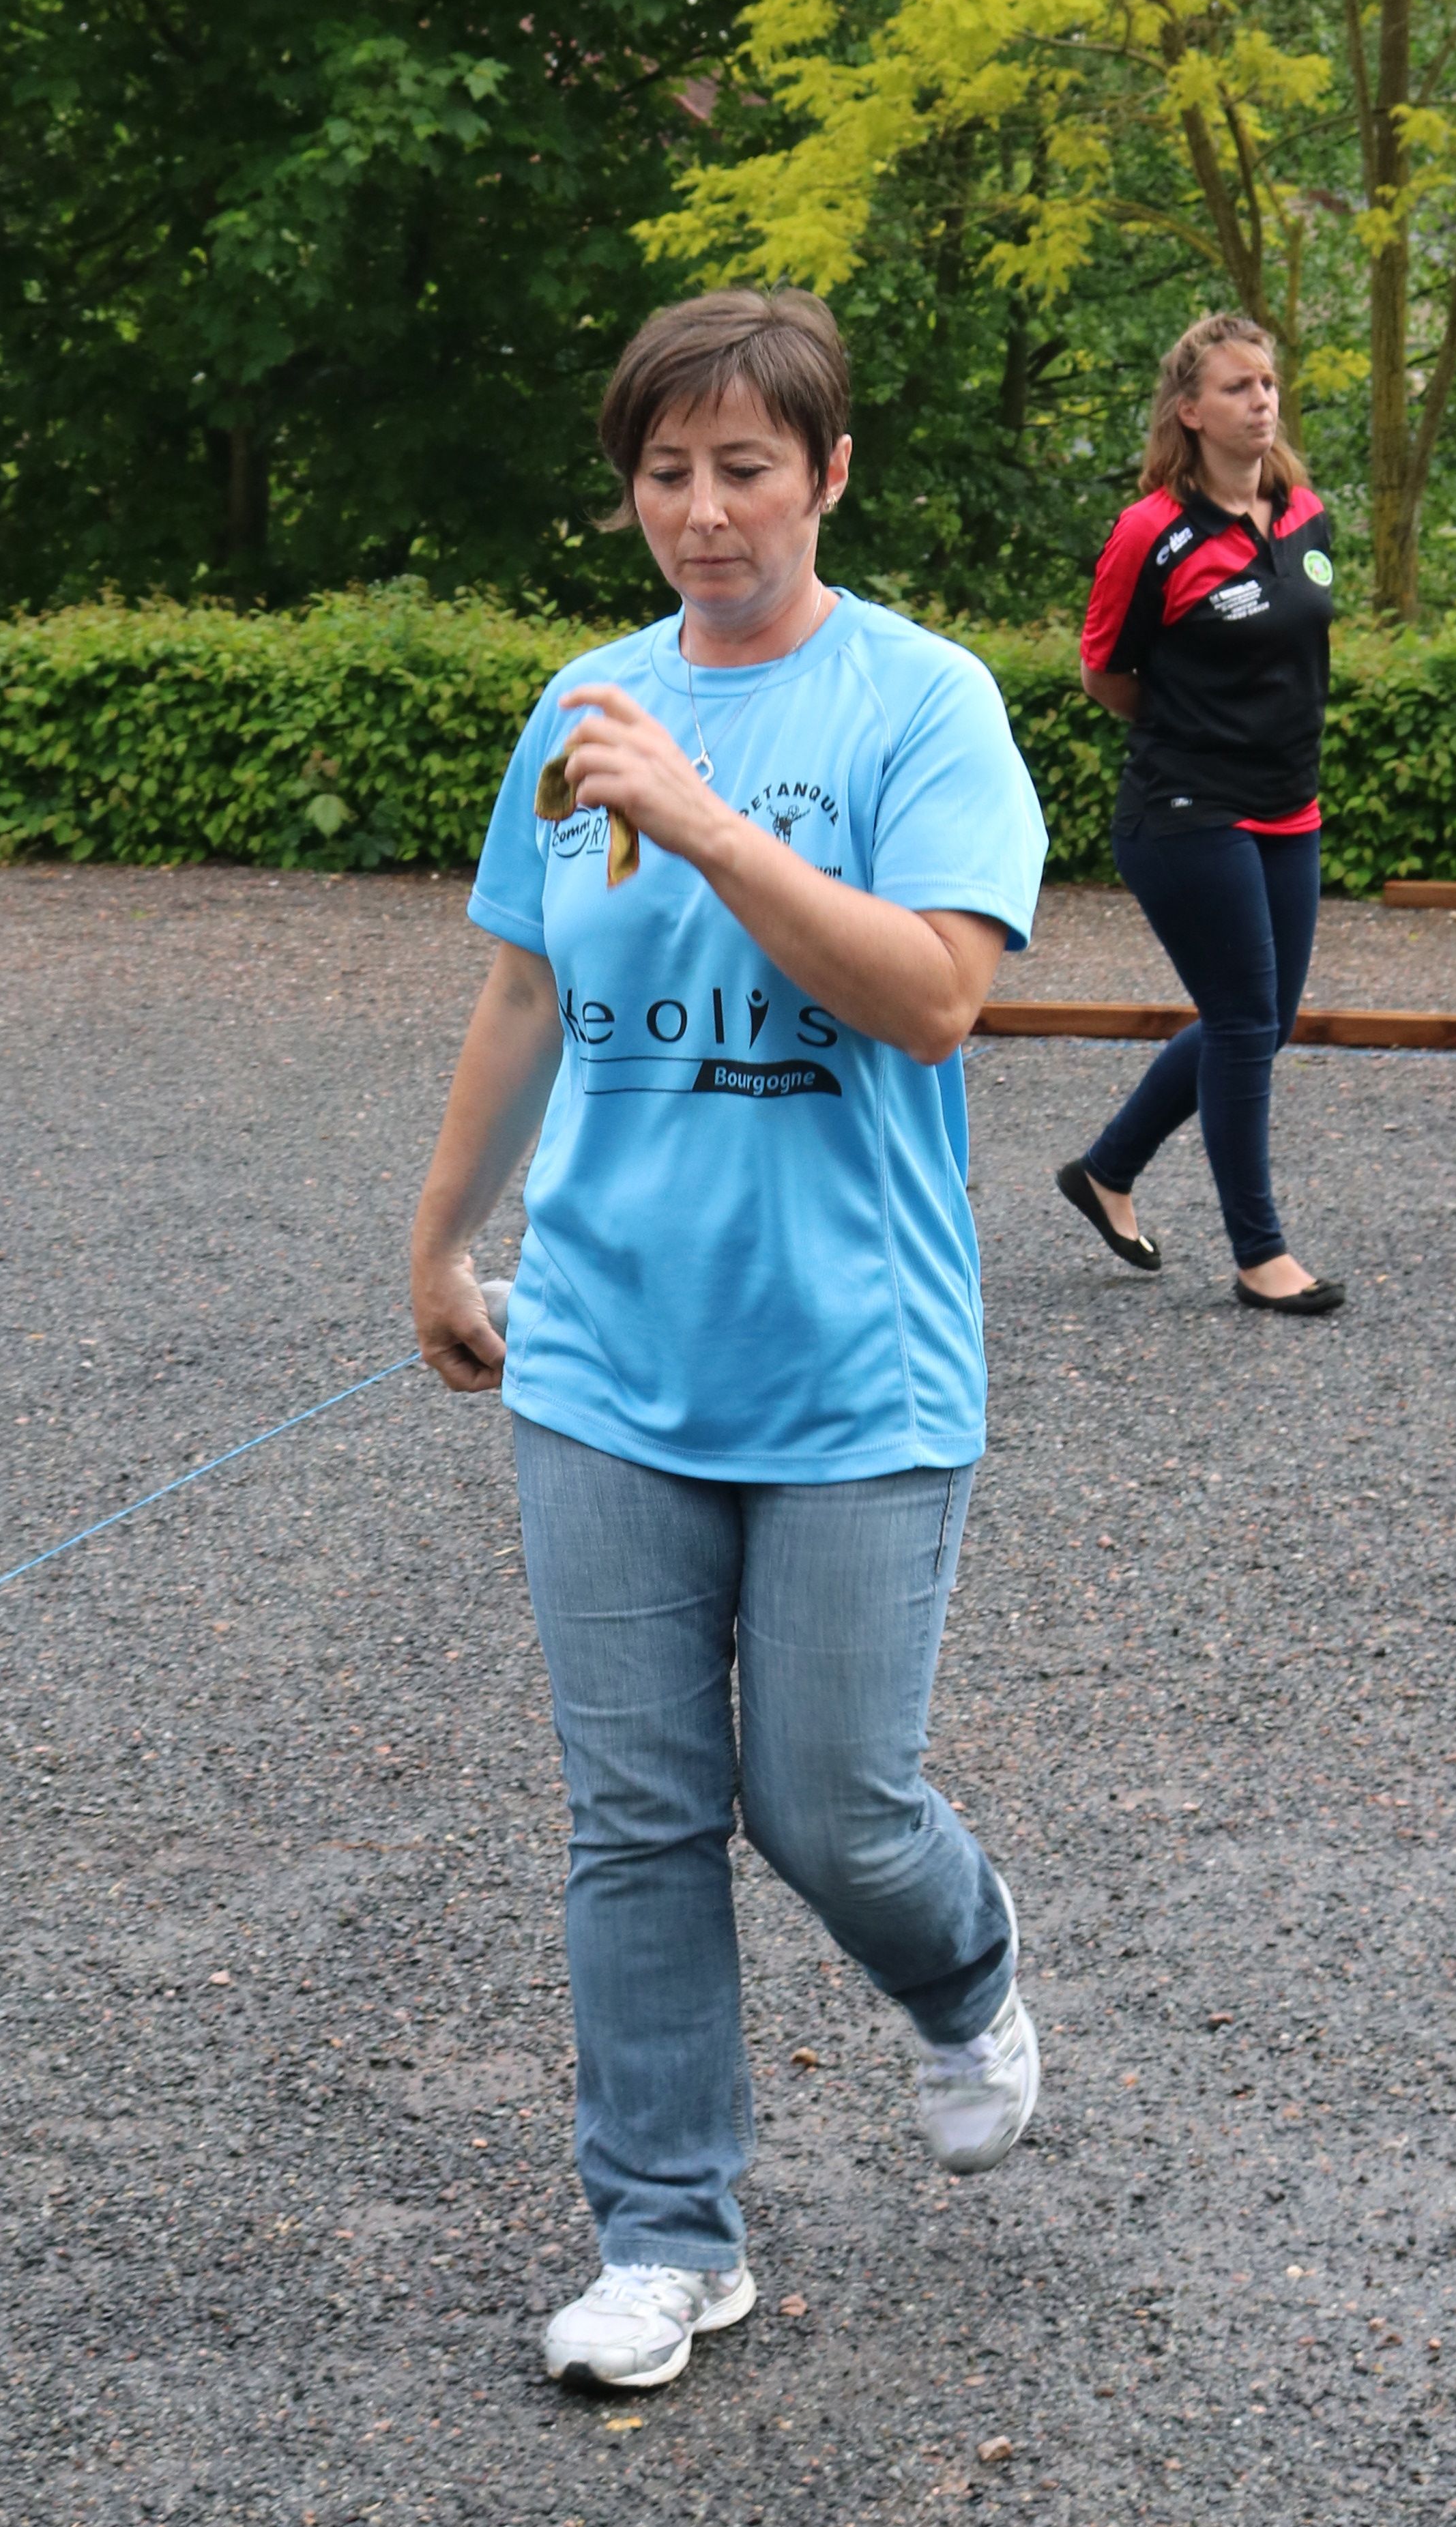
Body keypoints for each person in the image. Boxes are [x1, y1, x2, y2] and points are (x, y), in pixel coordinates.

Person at [409, 286, 1051, 2395]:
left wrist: (704, 820)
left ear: (829, 473)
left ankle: (963, 1973)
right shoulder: (577, 704)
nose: (703, 511)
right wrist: (438, 1240)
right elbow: (524, 989)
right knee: (638, 1816)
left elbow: (935, 995)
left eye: (745, 467)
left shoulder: (923, 705)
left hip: (852, 1363)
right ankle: (668, 2237)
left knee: (832, 1803)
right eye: (667, 473)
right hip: (602, 1354)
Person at [1055, 309, 1344, 1316]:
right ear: (1190, 411)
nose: (1260, 401)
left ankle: (1106, 1170)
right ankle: (1261, 1256)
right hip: (1185, 812)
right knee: (1240, 1022)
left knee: (1258, 1025)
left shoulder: (1306, 512)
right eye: (1237, 387)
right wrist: (1197, 732)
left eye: (1267, 384)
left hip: (1288, 809)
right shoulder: (1152, 533)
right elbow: (1105, 672)